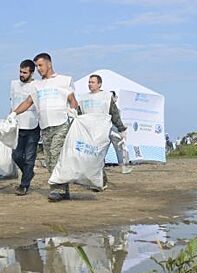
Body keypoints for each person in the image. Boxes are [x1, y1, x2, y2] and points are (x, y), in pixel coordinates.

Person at [8, 53, 78, 202]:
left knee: (55, 155)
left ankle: (56, 189)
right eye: (37, 66)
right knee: (50, 158)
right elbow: (28, 102)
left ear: (49, 64)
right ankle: (64, 189)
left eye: (40, 65)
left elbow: (73, 100)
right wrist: (13, 114)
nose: (39, 69)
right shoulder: (37, 85)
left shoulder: (64, 81)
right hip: (45, 127)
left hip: (61, 124)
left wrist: (73, 111)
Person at [77, 74, 127, 190]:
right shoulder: (84, 98)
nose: (90, 84)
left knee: (98, 155)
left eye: (93, 82)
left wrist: (121, 128)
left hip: (102, 130)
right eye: (89, 82)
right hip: (88, 131)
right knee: (89, 156)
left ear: (99, 84)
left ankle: (100, 182)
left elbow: (114, 113)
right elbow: (79, 114)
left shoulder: (106, 97)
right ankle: (95, 180)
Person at [10, 60, 41, 195]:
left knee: (29, 157)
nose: (21, 74)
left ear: (31, 73)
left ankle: (24, 185)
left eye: (25, 72)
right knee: (16, 155)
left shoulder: (37, 86)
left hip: (32, 125)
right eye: (20, 71)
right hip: (17, 125)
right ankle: (29, 174)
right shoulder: (14, 84)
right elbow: (12, 102)